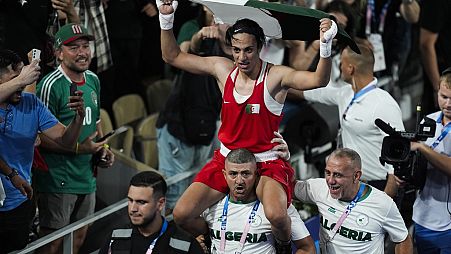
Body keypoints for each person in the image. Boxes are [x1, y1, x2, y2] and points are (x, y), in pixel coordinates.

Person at [157, 1, 338, 251]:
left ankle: (282, 246)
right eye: (237, 50)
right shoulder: (223, 69)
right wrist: (166, 19)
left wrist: (325, 47)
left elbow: (319, 80)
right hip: (227, 160)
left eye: (249, 50)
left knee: (276, 215)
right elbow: (172, 56)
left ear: (260, 47)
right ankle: (213, 236)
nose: (242, 57)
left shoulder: (276, 76)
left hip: (265, 162)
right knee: (182, 214)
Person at [35, 23, 115, 254]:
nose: (82, 52)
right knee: (51, 243)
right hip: (57, 177)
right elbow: (40, 137)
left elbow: (96, 125)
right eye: (74, 47)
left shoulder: (93, 79)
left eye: (85, 46)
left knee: (79, 239)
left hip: (86, 175)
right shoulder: (50, 85)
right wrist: (82, 148)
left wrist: (103, 149)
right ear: (58, 53)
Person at [0, 49, 85, 254]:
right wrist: (22, 81)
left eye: (23, 77)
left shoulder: (31, 104)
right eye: (16, 78)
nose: (22, 83)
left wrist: (78, 119)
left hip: (18, 202)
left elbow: (66, 140)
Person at [292, 44, 405, 198]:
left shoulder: (384, 104)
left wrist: (386, 199)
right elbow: (310, 92)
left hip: (378, 185)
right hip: (352, 184)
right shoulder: (345, 93)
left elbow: (399, 155)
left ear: (350, 69)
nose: (339, 67)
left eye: (341, 63)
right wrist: (277, 82)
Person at [156, 5, 226, 212]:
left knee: (196, 190)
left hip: (207, 126)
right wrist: (200, 37)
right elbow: (181, 52)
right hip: (179, 127)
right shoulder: (194, 29)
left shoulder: (234, 45)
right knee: (174, 196)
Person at [294, 148, 413, 253]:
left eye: (338, 175)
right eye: (328, 173)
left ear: (356, 176)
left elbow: (402, 239)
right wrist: (282, 158)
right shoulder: (318, 188)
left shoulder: (382, 204)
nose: (330, 181)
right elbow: (288, 187)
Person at [201, 148, 315, 254]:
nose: (239, 181)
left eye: (246, 174)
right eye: (233, 174)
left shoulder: (277, 207)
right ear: (225, 175)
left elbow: (307, 248)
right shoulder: (212, 206)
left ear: (256, 174)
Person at [99, 171, 204, 254]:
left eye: (141, 202)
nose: (133, 209)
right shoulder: (115, 238)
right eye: (130, 200)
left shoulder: (184, 245)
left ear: (160, 203)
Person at [409, 67, 451, 253]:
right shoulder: (428, 121)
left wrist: (422, 148)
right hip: (424, 218)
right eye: (443, 96)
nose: (448, 104)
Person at [419, 0, 451, 115]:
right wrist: (438, 87)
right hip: (444, 76)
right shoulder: (436, 3)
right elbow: (426, 44)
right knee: (436, 127)